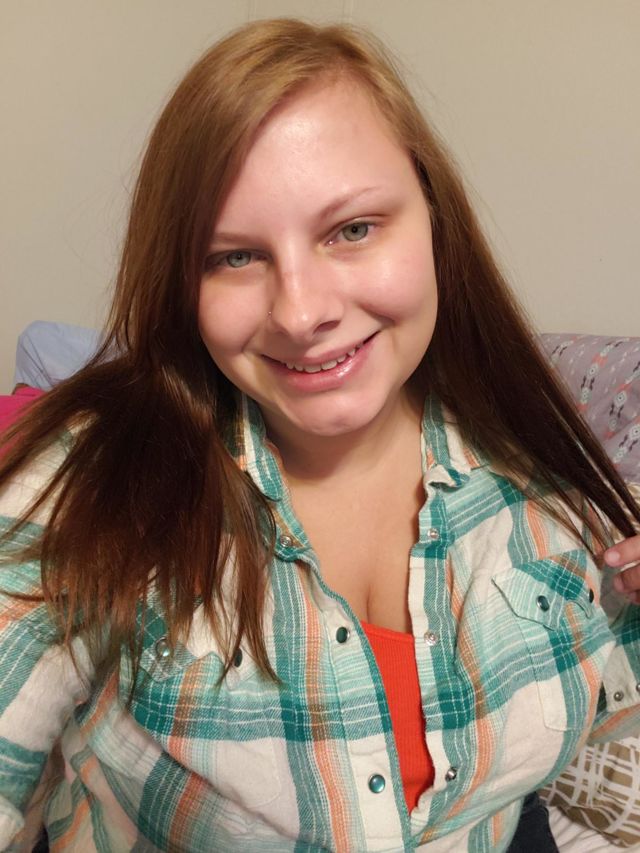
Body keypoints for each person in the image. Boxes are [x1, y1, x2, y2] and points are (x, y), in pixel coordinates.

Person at [0, 18, 639, 853]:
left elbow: (608, 756)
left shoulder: (539, 472)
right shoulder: (92, 481)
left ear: (435, 218)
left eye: (352, 229)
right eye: (234, 256)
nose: (302, 313)